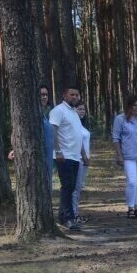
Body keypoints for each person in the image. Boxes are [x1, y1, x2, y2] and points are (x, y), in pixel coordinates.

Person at [49, 86, 88, 231]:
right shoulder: (58, 111)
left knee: (71, 187)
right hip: (64, 156)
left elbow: (78, 135)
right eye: (72, 94)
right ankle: (69, 218)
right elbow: (53, 130)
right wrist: (58, 150)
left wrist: (83, 154)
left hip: (75, 156)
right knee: (68, 186)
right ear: (65, 95)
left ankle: (62, 216)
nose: (75, 97)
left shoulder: (74, 113)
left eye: (77, 94)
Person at [112, 94, 137, 219]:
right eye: (134, 105)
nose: (136, 108)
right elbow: (116, 138)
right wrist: (119, 155)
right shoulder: (120, 119)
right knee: (132, 181)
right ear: (128, 105)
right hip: (128, 155)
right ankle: (130, 208)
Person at [71, 103, 91, 224]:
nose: (82, 111)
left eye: (84, 109)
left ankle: (75, 212)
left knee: (79, 187)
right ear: (74, 110)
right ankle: (73, 214)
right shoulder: (74, 125)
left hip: (84, 161)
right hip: (77, 159)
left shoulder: (81, 125)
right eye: (79, 109)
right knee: (75, 187)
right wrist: (83, 155)